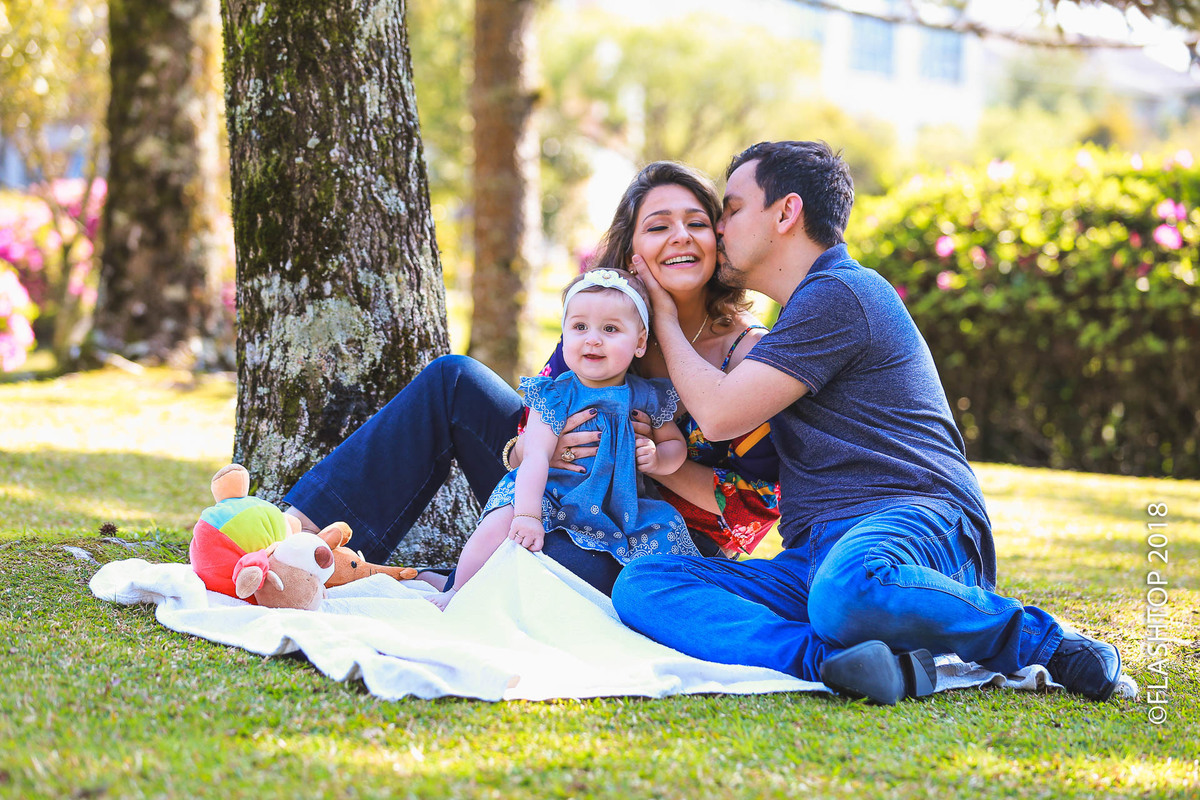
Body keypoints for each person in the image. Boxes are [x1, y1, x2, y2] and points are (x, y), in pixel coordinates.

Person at [612, 140, 1122, 705]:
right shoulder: (800, 313)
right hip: (816, 556)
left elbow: (719, 412)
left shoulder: (842, 292)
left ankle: (1044, 643)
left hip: (917, 526)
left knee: (847, 590)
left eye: (731, 209)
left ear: (786, 212)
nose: (719, 227)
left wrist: (662, 314)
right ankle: (834, 661)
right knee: (645, 583)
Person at [282, 161, 780, 596]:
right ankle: (293, 547)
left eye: (697, 222)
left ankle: (423, 578)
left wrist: (652, 462)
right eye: (658, 226)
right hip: (560, 494)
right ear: (633, 254)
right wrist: (549, 447)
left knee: (552, 570)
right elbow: (522, 444)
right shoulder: (600, 323)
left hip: (658, 542)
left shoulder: (749, 353)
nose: (681, 236)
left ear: (716, 242)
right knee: (453, 379)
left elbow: (756, 515)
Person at [424, 268, 696, 609]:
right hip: (549, 493)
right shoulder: (556, 395)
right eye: (580, 327)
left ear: (640, 342)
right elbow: (535, 455)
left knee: (666, 529)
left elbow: (675, 445)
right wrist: (526, 515)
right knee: (499, 524)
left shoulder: (644, 397)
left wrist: (659, 457)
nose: (592, 339)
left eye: (610, 329)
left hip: (619, 508)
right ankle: (456, 589)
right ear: (564, 334)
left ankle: (677, 603)